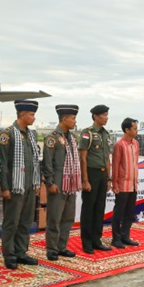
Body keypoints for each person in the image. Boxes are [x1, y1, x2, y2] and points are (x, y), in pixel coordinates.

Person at [0, 100, 41, 269]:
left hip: (29, 185)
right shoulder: (7, 135)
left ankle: (21, 252)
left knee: (25, 221)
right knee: (12, 222)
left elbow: (35, 161)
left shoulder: (31, 135)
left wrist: (36, 183)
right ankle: (9, 254)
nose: (34, 118)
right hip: (15, 186)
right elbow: (2, 164)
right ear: (22, 115)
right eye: (31, 114)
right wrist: (5, 187)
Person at [41, 104, 82, 261]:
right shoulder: (52, 138)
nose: (74, 121)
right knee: (54, 217)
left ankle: (61, 246)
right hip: (58, 182)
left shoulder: (72, 138)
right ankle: (51, 248)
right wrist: (50, 182)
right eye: (73, 118)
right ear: (64, 119)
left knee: (68, 217)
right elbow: (47, 162)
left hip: (70, 184)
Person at [78, 105, 112, 254]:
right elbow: (83, 158)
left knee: (100, 209)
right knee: (88, 209)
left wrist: (109, 179)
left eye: (107, 114)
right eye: (104, 115)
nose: (107, 117)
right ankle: (87, 242)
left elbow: (107, 158)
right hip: (91, 174)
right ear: (95, 116)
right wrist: (85, 180)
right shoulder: (88, 133)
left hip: (103, 175)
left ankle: (96, 240)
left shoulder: (106, 134)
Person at [111, 117, 141, 248]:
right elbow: (116, 165)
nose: (136, 131)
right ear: (127, 130)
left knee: (129, 212)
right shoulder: (119, 145)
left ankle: (125, 236)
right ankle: (116, 238)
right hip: (122, 185)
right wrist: (115, 183)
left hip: (133, 184)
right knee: (119, 212)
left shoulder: (135, 144)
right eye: (134, 128)